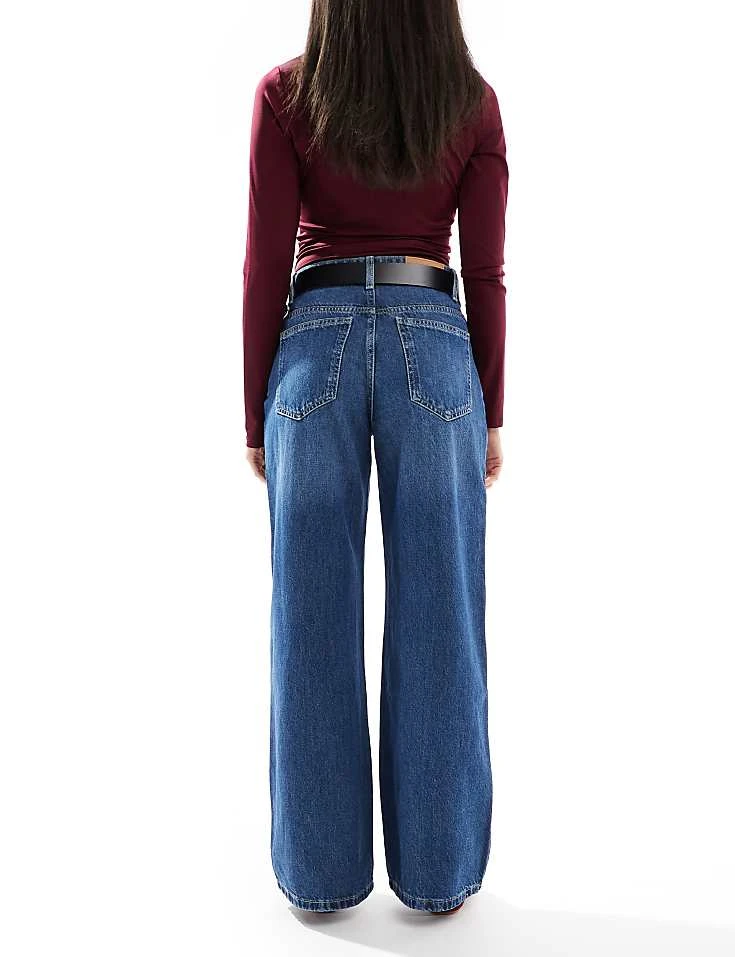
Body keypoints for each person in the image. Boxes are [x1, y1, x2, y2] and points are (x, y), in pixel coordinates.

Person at [241, 0, 508, 916]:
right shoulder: (470, 101)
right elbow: (487, 271)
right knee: (442, 610)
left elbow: (264, 264)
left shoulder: (286, 96)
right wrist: (493, 408)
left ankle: (319, 875)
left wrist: (253, 411)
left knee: (309, 611)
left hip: (311, 348)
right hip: (434, 341)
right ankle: (439, 873)